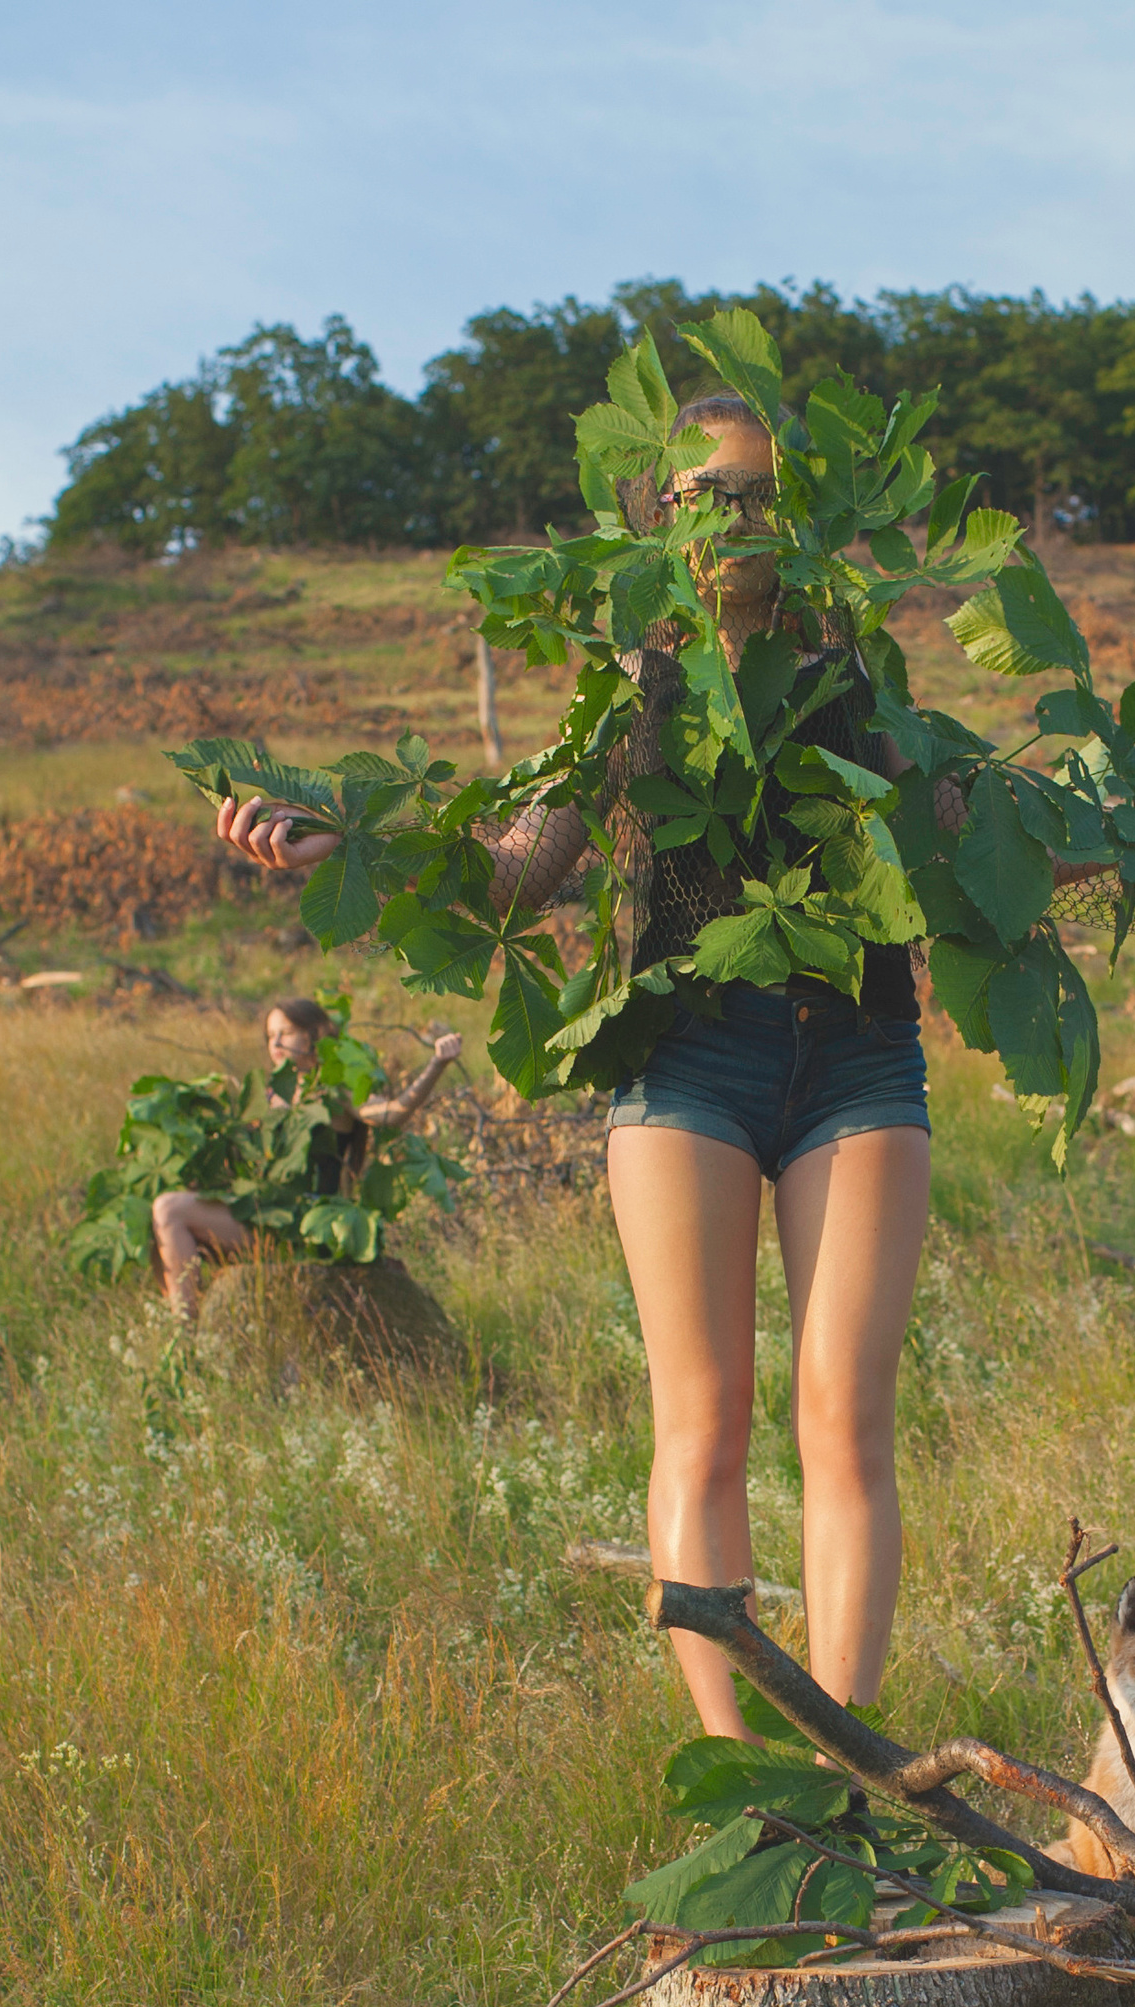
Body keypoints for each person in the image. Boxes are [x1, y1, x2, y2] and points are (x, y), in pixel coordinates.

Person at [217, 399, 975, 1740]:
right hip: (686, 1059)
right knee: (707, 1421)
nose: (735, 523)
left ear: (800, 519)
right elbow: (513, 871)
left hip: (860, 1054)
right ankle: (744, 1768)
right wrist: (348, 848)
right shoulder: (631, 697)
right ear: (658, 526)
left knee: (845, 1417)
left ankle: (848, 1765)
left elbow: (976, 847)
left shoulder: (865, 694)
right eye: (704, 498)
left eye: (757, 497)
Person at [153, 998, 463, 1318]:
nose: (275, 1042)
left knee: (169, 1209)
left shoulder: (333, 1088)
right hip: (266, 1213)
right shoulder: (272, 1095)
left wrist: (436, 1065)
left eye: (285, 1032)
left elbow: (390, 1114)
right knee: (166, 1212)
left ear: (314, 1033)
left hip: (308, 1223)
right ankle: (184, 1333)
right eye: (269, 1035)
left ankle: (185, 1333)